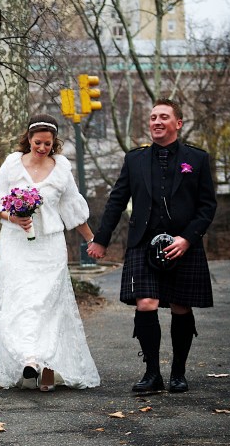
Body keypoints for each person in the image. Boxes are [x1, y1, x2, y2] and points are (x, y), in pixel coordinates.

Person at [87, 98, 216, 394]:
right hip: (143, 242)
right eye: (153, 117)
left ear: (178, 123)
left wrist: (187, 239)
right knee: (146, 303)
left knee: (181, 306)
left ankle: (178, 373)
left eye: (164, 117)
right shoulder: (134, 159)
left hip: (183, 243)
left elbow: (207, 206)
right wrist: (101, 239)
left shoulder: (196, 159)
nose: (156, 122)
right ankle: (152, 373)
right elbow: (117, 200)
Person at [0, 114, 100, 392]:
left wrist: (92, 240)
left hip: (49, 247)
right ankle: (28, 359)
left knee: (47, 304)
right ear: (29, 139)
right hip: (16, 245)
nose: (42, 148)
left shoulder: (61, 168)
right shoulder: (13, 164)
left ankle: (47, 366)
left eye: (48, 144)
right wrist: (13, 217)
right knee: (20, 302)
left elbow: (72, 209)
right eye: (38, 142)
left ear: (54, 143)